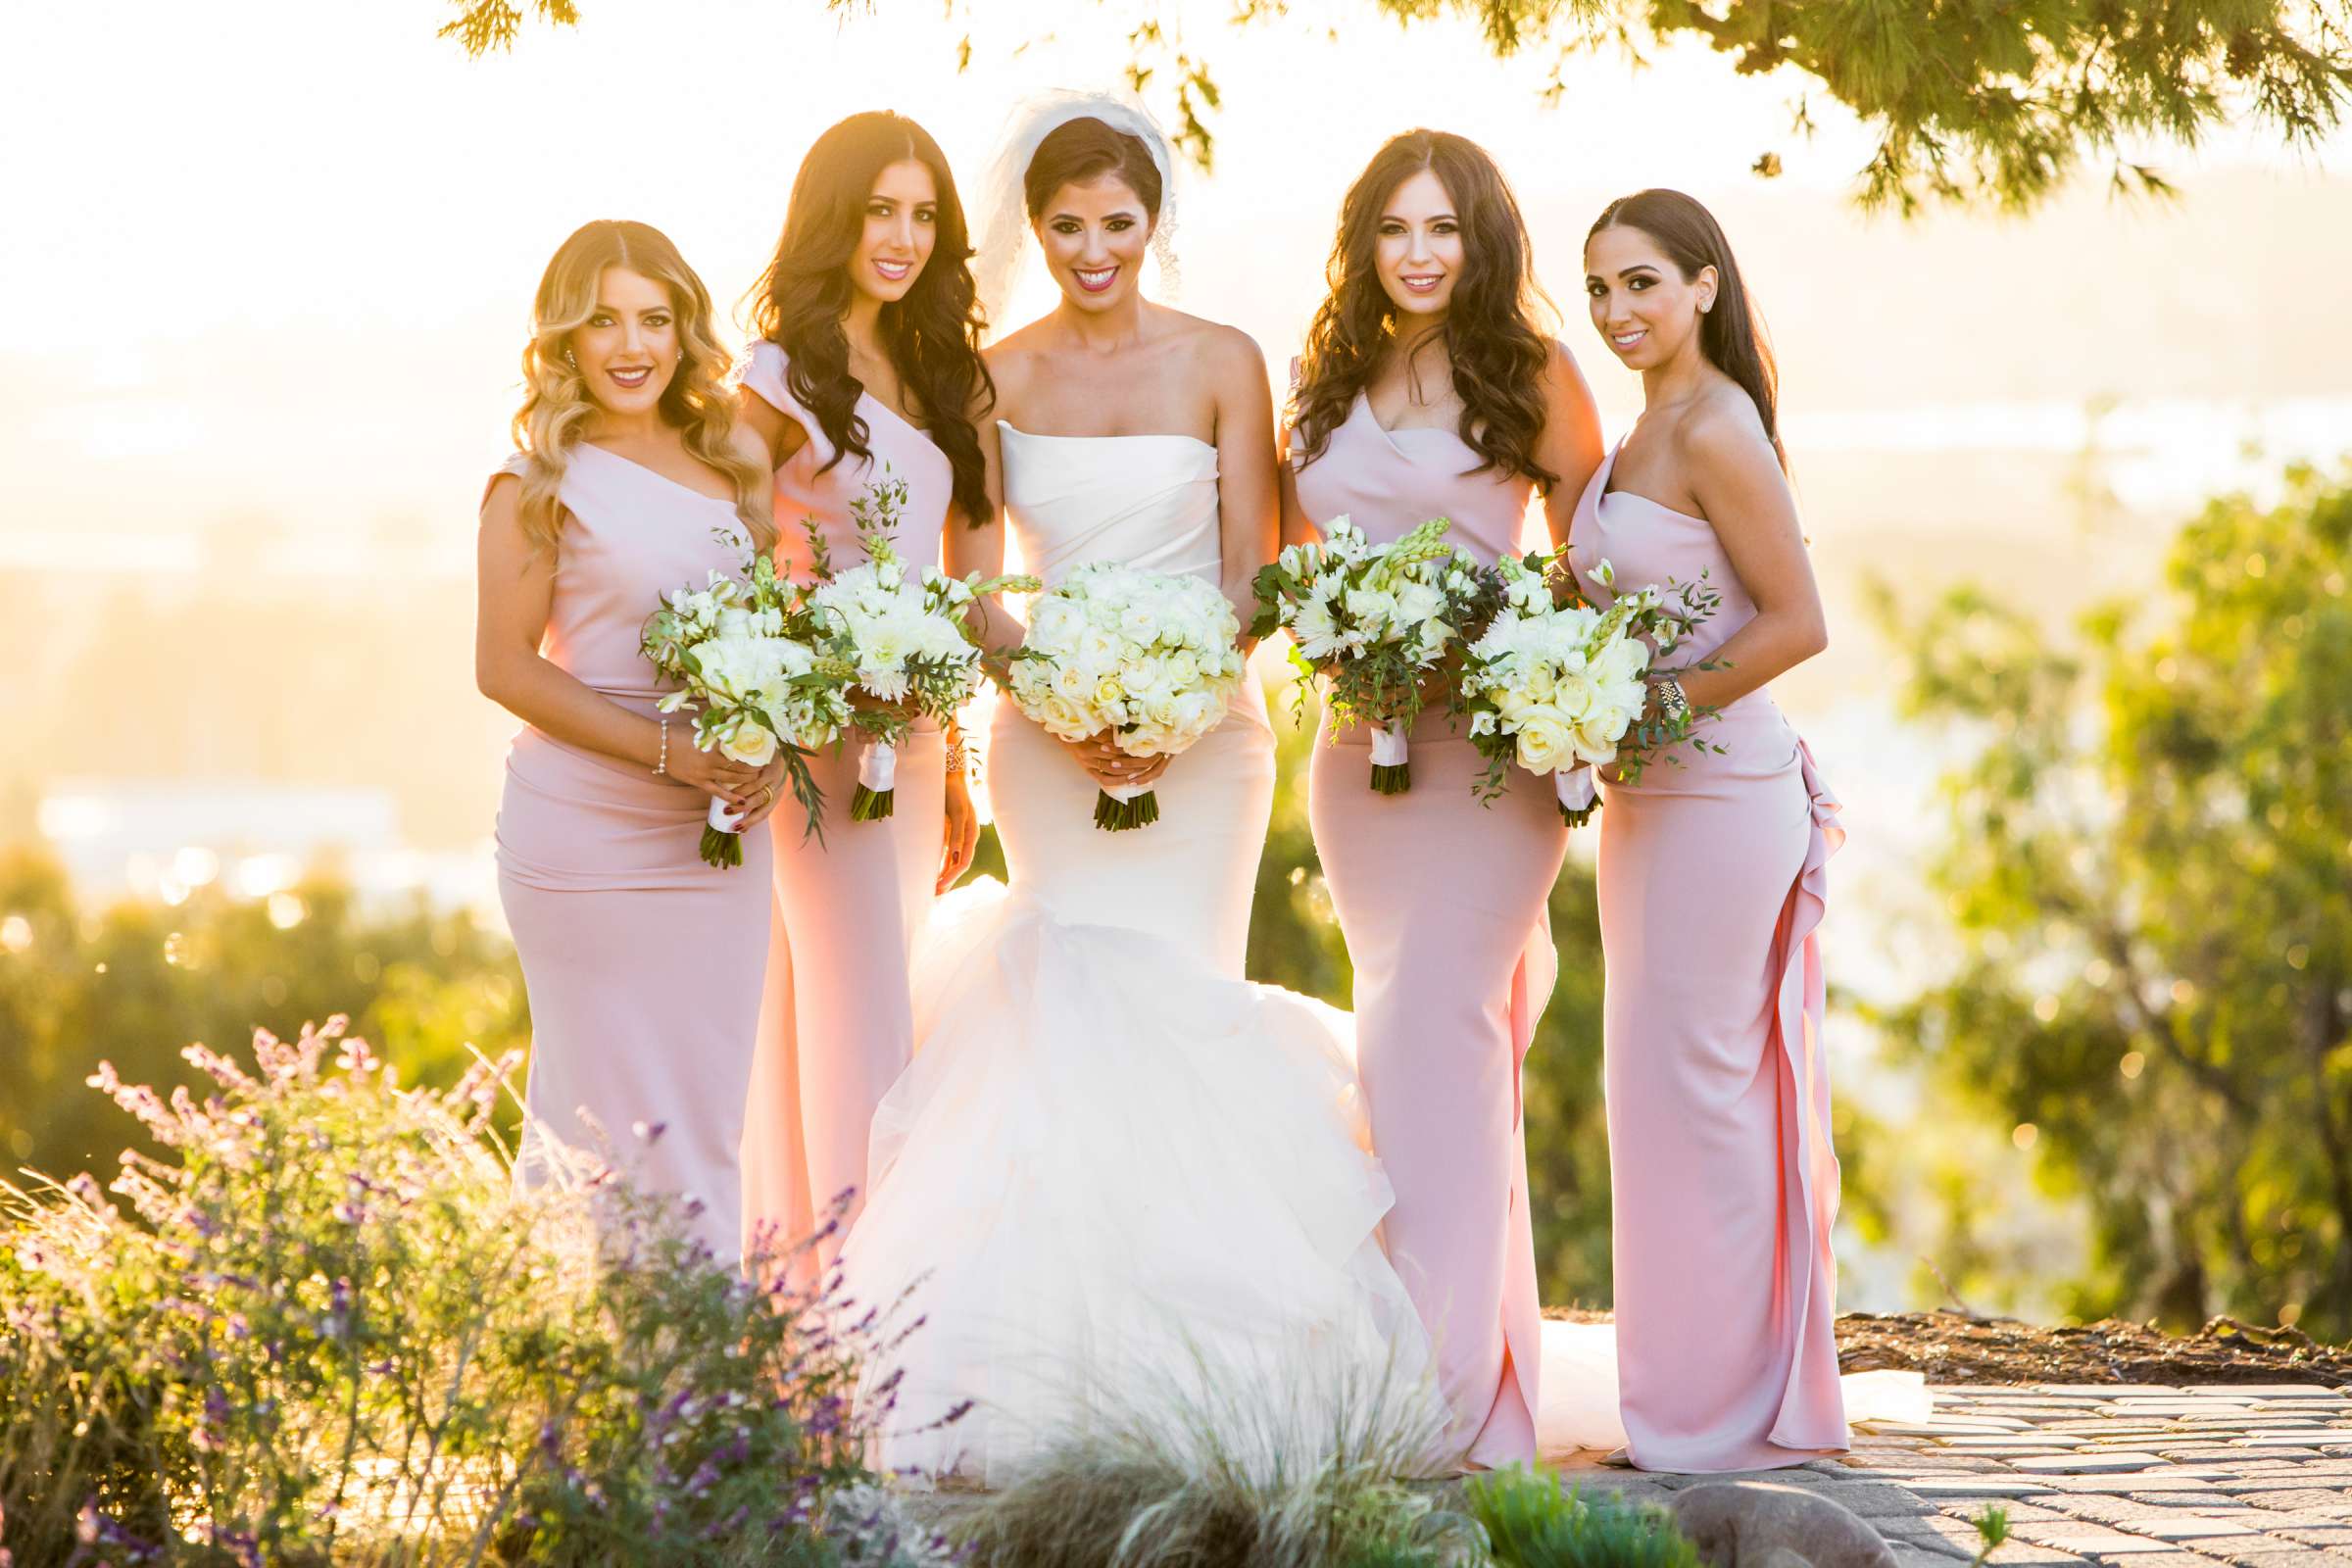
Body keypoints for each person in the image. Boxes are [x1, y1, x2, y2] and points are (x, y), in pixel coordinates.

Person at [834, 94, 1439, 1482]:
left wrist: (1167, 695)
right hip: (1046, 734)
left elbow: (1253, 567)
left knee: (1182, 1012)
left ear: (1153, 221)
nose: (1092, 250)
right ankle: (1044, 1375)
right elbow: (978, 583)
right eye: (1065, 227)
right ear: (1034, 229)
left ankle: (1199, 1375)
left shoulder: (1224, 359)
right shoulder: (993, 376)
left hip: (1204, 737)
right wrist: (1060, 690)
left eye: (1117, 224)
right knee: (1070, 1006)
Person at [1281, 127, 1603, 1469]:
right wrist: (1333, 627)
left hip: (1484, 763)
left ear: (1482, 243)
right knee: (1400, 1042)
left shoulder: (1532, 376)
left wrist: (1518, 651)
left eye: (1443, 231)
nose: (1418, 256)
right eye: (1395, 231)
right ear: (1365, 242)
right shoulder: (1326, 374)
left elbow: (1596, 560)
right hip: (1361, 763)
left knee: (1446, 1035)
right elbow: (1287, 557)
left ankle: (1452, 1407)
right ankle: (1419, 1361)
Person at [1572, 188, 1848, 1470]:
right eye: (1601, 291)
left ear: (1703, 287)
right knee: (1657, 1096)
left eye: (1641, 283)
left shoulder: (1719, 427)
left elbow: (1798, 623)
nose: (1619, 311)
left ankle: (1730, 1411)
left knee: (1709, 1094)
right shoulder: (1645, 430)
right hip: (1645, 802)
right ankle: (1679, 1391)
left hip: (1723, 799)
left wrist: (1656, 698)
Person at [475, 220, 785, 1267]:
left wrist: (774, 743)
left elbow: (773, 635)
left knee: (703, 1115)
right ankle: (577, 1386)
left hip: (720, 836)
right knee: (593, 1124)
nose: (630, 345)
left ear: (684, 329)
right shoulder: (535, 484)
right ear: (565, 336)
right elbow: (507, 668)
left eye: (653, 318)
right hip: (583, 842)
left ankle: (702, 1399)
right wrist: (670, 753)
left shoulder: (732, 459)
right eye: (602, 319)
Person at [733, 111, 1000, 1276]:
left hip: (920, 741)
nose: (900, 236)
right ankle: (857, 1324)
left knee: (875, 1009)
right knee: (852, 1020)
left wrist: (966, 758)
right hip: (822, 744)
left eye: (923, 214)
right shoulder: (775, 381)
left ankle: (837, 1313)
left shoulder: (946, 376)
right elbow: (736, 569)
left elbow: (962, 586)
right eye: (879, 209)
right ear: (834, 219)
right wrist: (819, 664)